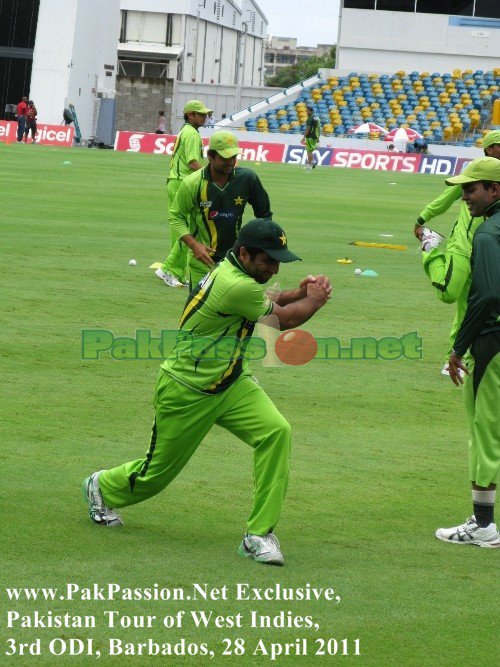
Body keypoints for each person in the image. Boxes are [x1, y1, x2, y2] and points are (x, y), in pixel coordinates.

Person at [83, 218, 332, 566]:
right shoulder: (235, 284)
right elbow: (283, 320)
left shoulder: (234, 273)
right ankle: (102, 486)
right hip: (188, 389)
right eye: (268, 260)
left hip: (231, 383)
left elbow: (267, 300)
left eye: (278, 261)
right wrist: (315, 300)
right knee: (156, 476)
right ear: (244, 253)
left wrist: (298, 293)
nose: (274, 268)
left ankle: (257, 535)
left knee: (277, 432)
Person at [433, 157, 500, 548]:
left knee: (484, 431)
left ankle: (483, 524)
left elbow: (488, 293)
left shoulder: (489, 233)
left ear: (494, 190)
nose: (464, 195)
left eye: (471, 188)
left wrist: (459, 347)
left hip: (492, 344)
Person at [414, 130, 500, 374]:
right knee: (449, 293)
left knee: (470, 305)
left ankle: (457, 356)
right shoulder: (474, 173)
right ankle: (430, 246)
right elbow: (449, 195)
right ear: (489, 149)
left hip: (489, 250)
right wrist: (423, 218)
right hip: (462, 247)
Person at [167, 130, 272, 289]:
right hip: (203, 263)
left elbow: (264, 215)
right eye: (225, 157)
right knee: (201, 311)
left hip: (236, 262)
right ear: (210, 155)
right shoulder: (192, 183)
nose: (231, 162)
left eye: (234, 157)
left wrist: (258, 247)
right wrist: (195, 246)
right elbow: (176, 217)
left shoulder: (247, 178)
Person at [155, 99, 212, 288]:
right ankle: (169, 270)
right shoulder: (191, 134)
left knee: (180, 230)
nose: (205, 117)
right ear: (190, 115)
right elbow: (193, 162)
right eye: (201, 114)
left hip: (176, 182)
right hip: (183, 184)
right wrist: (210, 177)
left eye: (205, 114)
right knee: (186, 230)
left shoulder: (187, 132)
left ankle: (177, 272)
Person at [300, 105, 320, 171]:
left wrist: (304, 137)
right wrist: (318, 138)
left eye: (307, 111)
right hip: (314, 137)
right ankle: (309, 165)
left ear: (310, 111)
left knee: (309, 152)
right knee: (309, 151)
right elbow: (318, 128)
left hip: (310, 137)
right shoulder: (317, 118)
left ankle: (313, 163)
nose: (306, 112)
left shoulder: (310, 118)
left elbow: (308, 128)